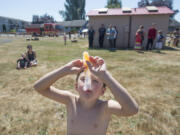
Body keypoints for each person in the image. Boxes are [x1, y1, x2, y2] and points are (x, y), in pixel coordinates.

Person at [34, 56, 138, 135]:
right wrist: (64, 70)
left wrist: (106, 76)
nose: (88, 85)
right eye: (84, 79)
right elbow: (39, 87)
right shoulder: (70, 100)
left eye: (96, 81)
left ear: (103, 91)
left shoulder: (105, 107)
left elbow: (132, 110)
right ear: (76, 86)